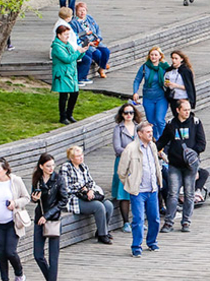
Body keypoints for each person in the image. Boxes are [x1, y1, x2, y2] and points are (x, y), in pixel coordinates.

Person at [157, 100, 207, 233]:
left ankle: (186, 221)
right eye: (185, 110)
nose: (187, 112)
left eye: (189, 109)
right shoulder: (171, 125)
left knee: (189, 194)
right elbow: (163, 140)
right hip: (175, 164)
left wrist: (193, 152)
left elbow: (202, 143)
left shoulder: (196, 123)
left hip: (190, 166)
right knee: (172, 193)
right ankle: (169, 222)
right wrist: (152, 148)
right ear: (178, 110)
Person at [117, 121, 160, 257]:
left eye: (151, 132)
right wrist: (130, 183)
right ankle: (136, 246)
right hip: (138, 191)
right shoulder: (130, 148)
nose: (150, 134)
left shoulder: (152, 146)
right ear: (140, 133)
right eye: (147, 132)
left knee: (154, 218)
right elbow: (121, 171)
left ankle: (152, 242)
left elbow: (156, 164)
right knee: (138, 219)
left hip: (152, 189)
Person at [30, 153, 67, 281]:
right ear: (41, 166)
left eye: (53, 165)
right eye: (48, 166)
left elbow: (63, 200)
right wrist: (34, 199)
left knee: (53, 256)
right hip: (40, 218)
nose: (51, 168)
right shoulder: (37, 180)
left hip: (53, 220)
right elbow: (34, 197)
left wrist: (49, 214)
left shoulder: (59, 179)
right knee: (38, 254)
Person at [60, 145, 114, 244]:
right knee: (99, 206)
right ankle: (102, 235)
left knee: (109, 205)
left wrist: (90, 190)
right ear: (71, 158)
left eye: (81, 155)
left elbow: (91, 182)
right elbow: (66, 187)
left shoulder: (83, 166)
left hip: (88, 195)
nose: (81, 157)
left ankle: (102, 230)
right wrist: (83, 189)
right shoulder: (65, 168)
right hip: (74, 199)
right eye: (78, 156)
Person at [111, 103, 141, 232]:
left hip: (137, 163)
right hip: (123, 161)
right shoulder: (118, 129)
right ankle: (126, 222)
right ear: (121, 114)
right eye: (126, 113)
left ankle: (137, 220)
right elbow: (117, 148)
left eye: (131, 112)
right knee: (123, 192)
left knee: (137, 191)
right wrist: (131, 152)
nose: (129, 115)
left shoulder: (138, 127)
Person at [133, 47, 172, 138]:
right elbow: (137, 80)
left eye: (155, 55)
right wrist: (135, 92)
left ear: (160, 56)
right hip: (148, 97)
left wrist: (168, 83)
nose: (153, 57)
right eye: (151, 55)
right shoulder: (144, 67)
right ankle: (155, 139)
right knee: (151, 121)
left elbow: (169, 78)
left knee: (159, 119)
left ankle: (164, 139)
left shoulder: (164, 67)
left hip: (161, 97)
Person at [51, 25, 84, 124]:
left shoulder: (67, 44)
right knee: (64, 95)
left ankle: (69, 114)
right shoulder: (57, 47)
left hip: (71, 73)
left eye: (68, 34)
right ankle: (63, 117)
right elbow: (67, 59)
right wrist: (78, 52)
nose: (67, 36)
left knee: (74, 93)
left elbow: (74, 56)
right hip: (62, 74)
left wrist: (82, 52)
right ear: (59, 35)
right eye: (65, 34)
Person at [71, 2, 110, 82]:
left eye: (84, 10)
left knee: (106, 51)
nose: (82, 13)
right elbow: (75, 35)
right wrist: (87, 38)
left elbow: (97, 28)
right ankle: (103, 64)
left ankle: (102, 68)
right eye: (80, 11)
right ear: (76, 12)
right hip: (85, 43)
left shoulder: (89, 18)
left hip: (95, 40)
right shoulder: (74, 22)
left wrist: (98, 38)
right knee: (97, 53)